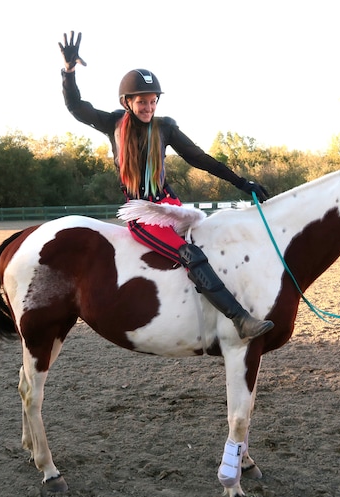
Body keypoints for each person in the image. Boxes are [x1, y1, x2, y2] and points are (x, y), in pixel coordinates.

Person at [59, 31, 273, 340]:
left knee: (213, 242)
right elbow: (76, 106)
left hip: (170, 205)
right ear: (127, 102)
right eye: (142, 101)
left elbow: (199, 158)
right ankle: (239, 319)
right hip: (142, 212)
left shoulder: (165, 127)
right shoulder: (113, 124)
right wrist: (69, 72)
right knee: (190, 254)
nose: (148, 106)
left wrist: (241, 182)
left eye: (152, 101)